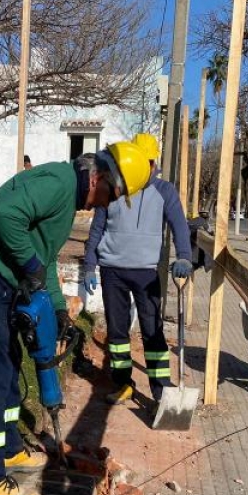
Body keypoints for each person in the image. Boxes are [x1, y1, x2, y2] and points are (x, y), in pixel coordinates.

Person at [0, 142, 152, 495]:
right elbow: (5, 216)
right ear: (99, 177)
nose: (106, 204)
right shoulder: (58, 182)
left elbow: (46, 261)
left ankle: (7, 451)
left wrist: (59, 311)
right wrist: (30, 264)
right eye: (113, 195)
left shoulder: (67, 198)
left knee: (8, 369)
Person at [82, 132, 193, 411]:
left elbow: (179, 225)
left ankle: (161, 391)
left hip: (145, 272)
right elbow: (97, 228)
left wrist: (185, 257)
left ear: (155, 163)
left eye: (151, 163)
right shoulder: (117, 186)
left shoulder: (164, 191)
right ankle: (123, 384)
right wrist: (89, 265)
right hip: (112, 270)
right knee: (118, 335)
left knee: (152, 332)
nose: (147, 168)